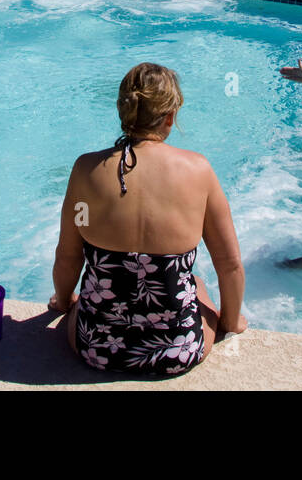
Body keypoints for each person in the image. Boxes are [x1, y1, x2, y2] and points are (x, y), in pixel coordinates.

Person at [49, 63, 247, 376]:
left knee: (82, 300)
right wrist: (231, 322)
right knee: (197, 285)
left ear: (123, 111)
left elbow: (68, 256)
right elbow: (230, 265)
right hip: (179, 350)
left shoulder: (85, 169)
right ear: (169, 116)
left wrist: (63, 303)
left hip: (96, 347)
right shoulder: (199, 170)